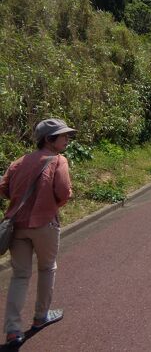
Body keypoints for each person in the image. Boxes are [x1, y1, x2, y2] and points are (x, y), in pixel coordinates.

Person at [0, 118, 76, 347]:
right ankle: (40, 316)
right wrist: (51, 204)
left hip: (17, 227)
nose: (66, 139)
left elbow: (4, 188)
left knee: (20, 276)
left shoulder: (18, 162)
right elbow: (64, 192)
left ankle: (13, 330)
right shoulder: (58, 160)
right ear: (48, 139)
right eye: (63, 136)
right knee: (47, 267)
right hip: (45, 225)